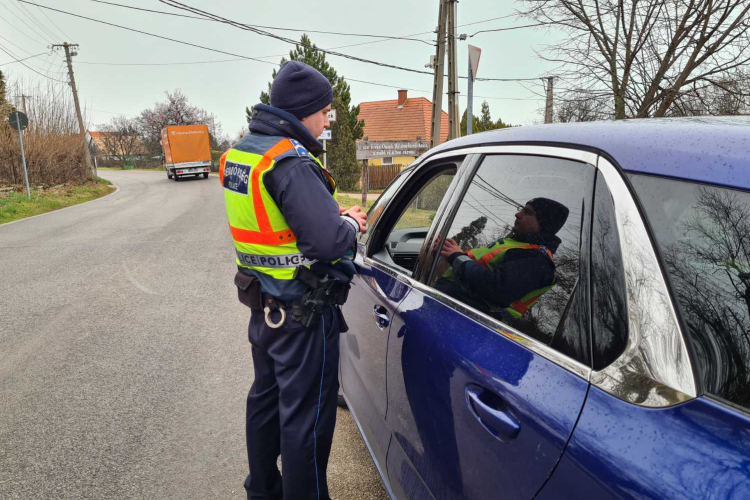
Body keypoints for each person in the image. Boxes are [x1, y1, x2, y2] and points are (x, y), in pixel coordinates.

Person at [220, 61, 367, 500]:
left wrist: (326, 215)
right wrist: (350, 224)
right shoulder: (291, 161)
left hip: (264, 308)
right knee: (307, 421)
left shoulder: (243, 154)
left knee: (265, 403)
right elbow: (327, 244)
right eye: (324, 112)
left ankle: (263, 490)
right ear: (303, 111)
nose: (327, 121)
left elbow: (274, 220)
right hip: (304, 315)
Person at [435, 198, 569, 321]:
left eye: (527, 212)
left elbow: (495, 289)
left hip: (465, 321)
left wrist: (457, 257)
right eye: (521, 209)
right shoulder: (517, 245)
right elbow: (475, 267)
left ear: (543, 223)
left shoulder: (537, 261)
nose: (518, 214)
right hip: (449, 309)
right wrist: (447, 253)